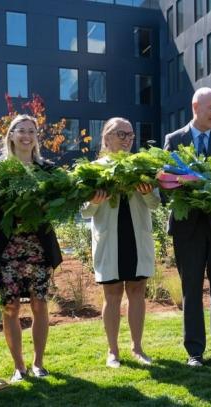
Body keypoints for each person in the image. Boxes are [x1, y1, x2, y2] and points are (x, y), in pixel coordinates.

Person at [0, 114, 63, 382]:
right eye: (21, 130)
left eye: (32, 131)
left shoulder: (48, 170)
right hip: (7, 249)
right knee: (11, 307)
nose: (27, 135)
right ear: (11, 135)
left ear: (36, 137)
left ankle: (39, 364)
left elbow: (61, 201)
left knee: (40, 304)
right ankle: (19, 367)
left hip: (38, 247)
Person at [163, 87, 211, 367]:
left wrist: (208, 182)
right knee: (191, 289)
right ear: (196, 107)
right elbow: (166, 182)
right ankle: (195, 352)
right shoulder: (174, 140)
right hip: (187, 229)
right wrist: (183, 182)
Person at [80, 118, 160, 368]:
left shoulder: (143, 167)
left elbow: (155, 204)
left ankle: (137, 348)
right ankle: (113, 351)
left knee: (137, 292)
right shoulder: (94, 169)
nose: (127, 139)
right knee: (112, 295)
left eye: (130, 135)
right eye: (121, 134)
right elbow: (84, 211)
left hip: (137, 238)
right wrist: (95, 200)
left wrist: (147, 193)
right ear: (106, 138)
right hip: (109, 240)